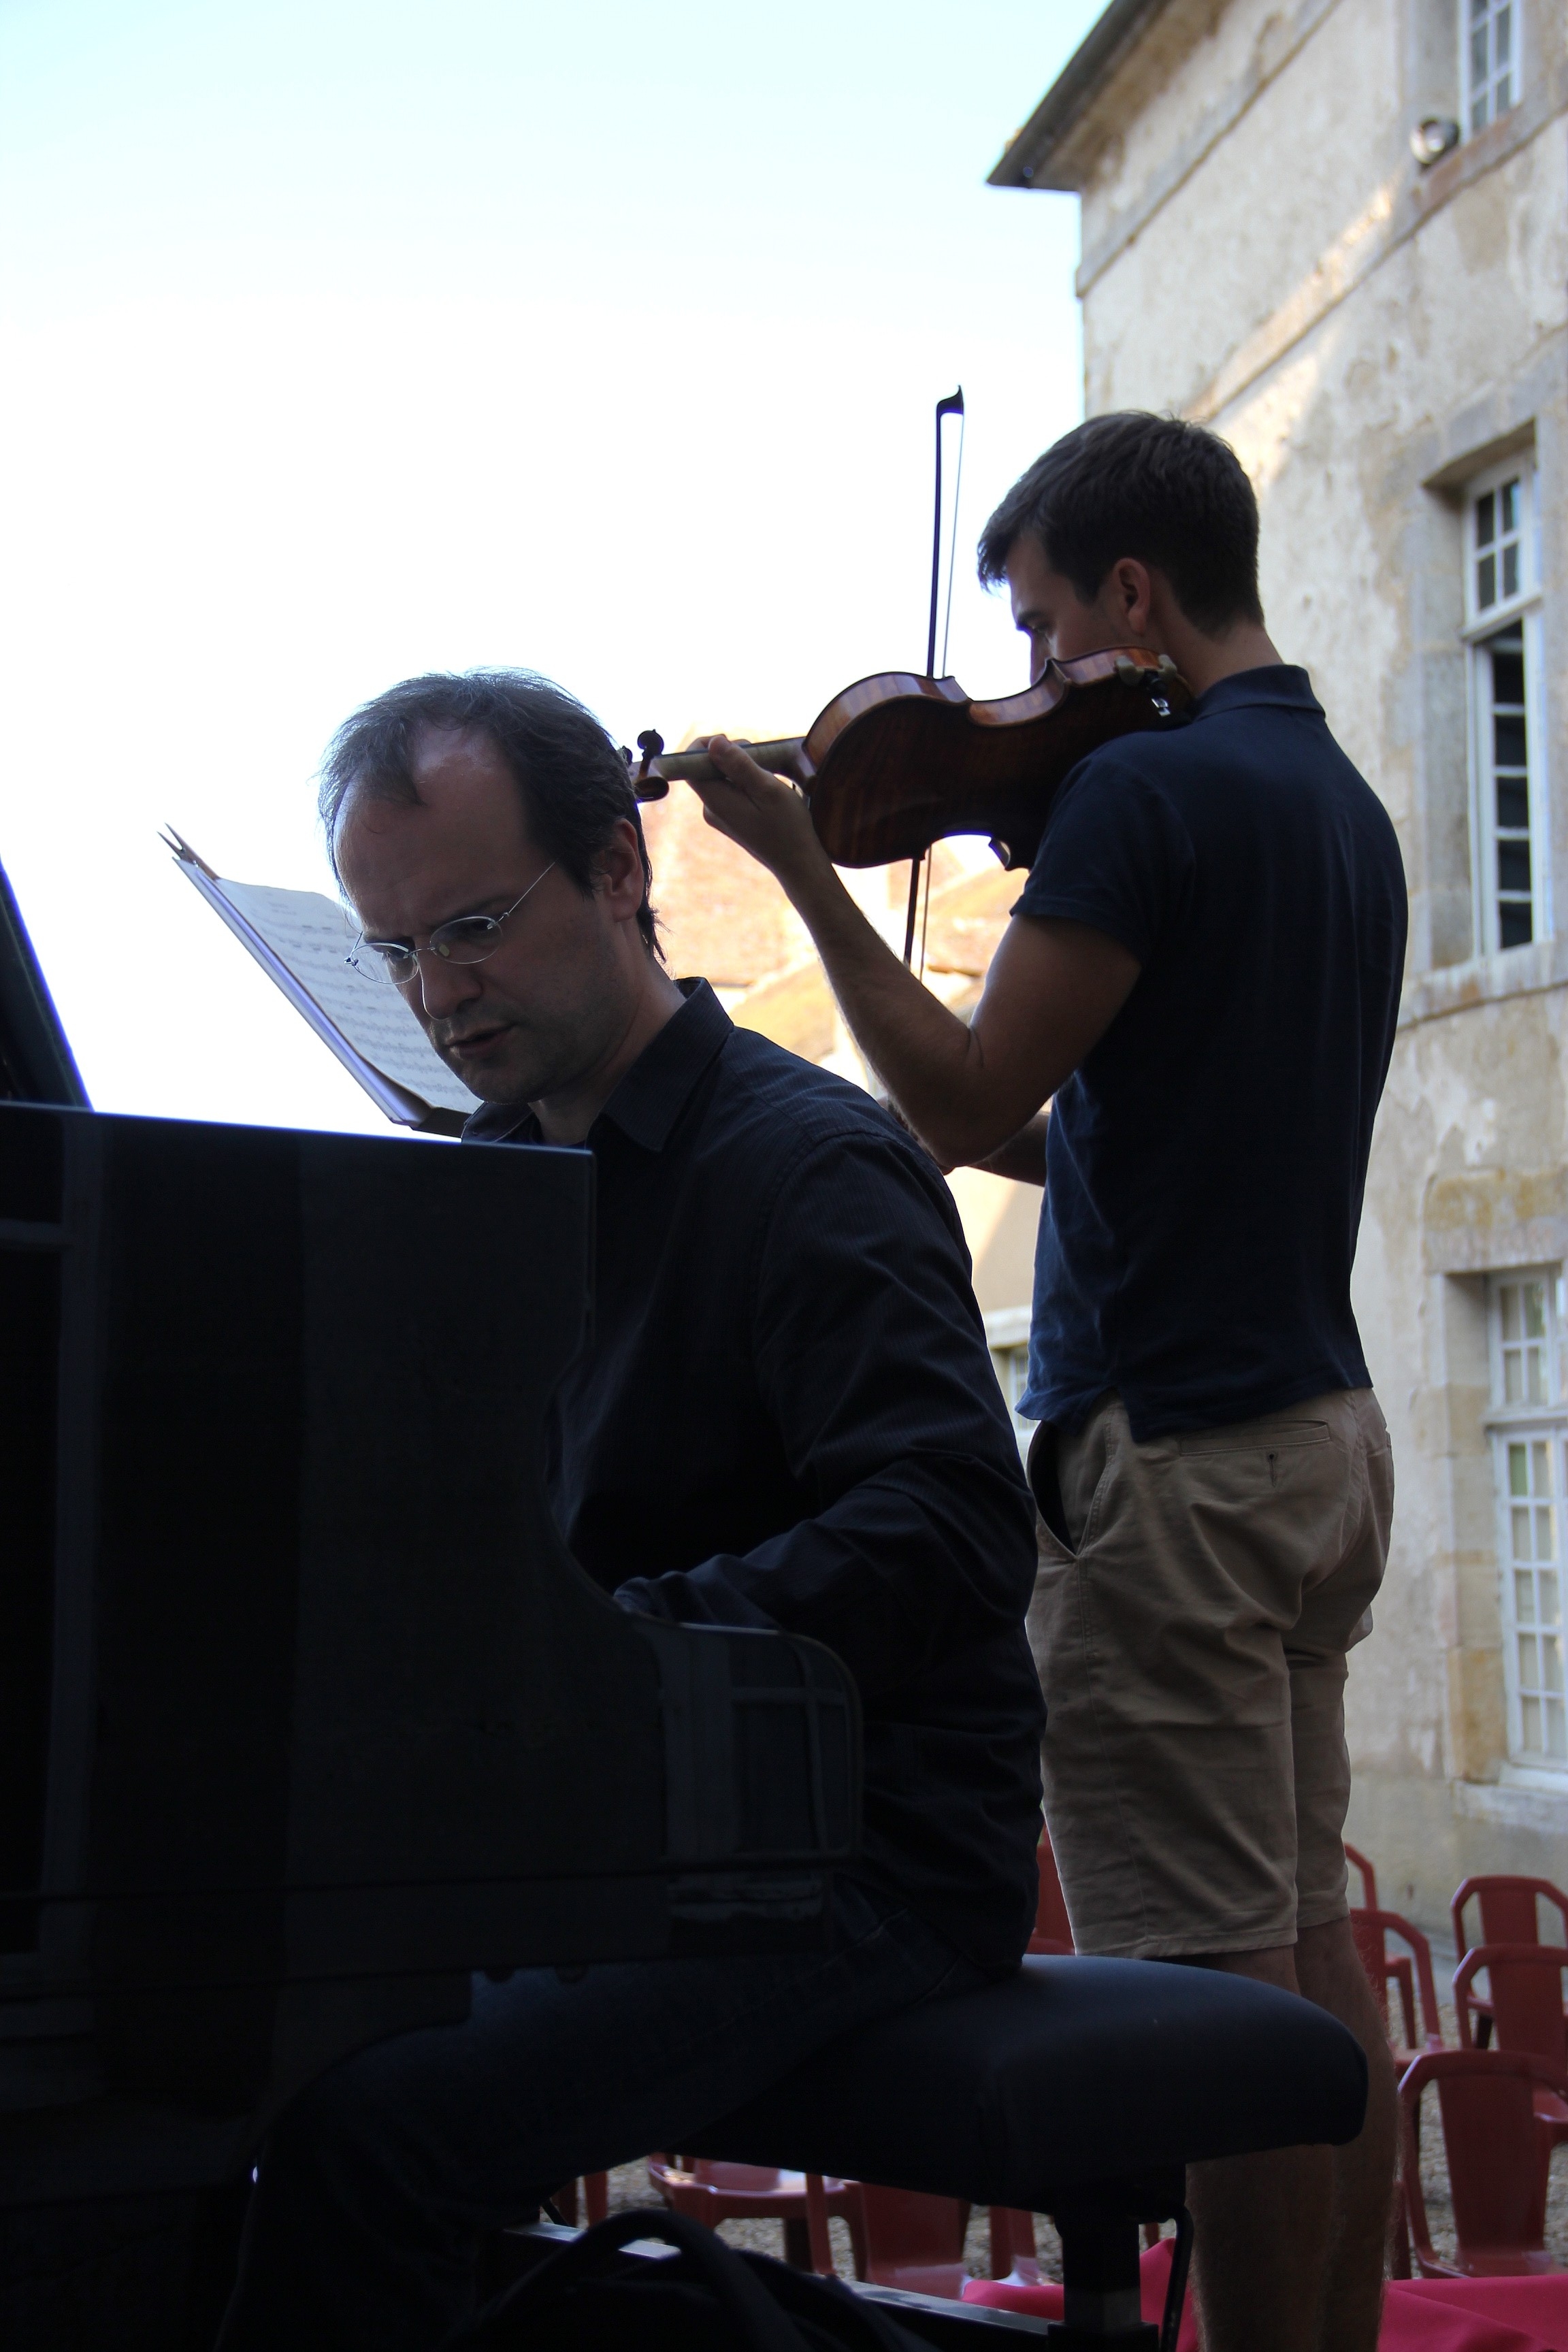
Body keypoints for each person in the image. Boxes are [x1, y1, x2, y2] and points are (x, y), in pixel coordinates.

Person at [683, 412, 1407, 2352]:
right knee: (1317, 1946)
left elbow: (958, 1108)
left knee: (1219, 1991)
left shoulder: (1141, 805)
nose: (1023, 688)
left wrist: (803, 873)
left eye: (1038, 627)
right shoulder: (1336, 798)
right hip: (1322, 1445)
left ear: (1134, 597)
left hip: (1169, 1465)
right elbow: (1075, 1131)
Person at [216, 670, 1044, 2350]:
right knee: (206, 2051)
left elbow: (952, 1528)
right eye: (397, 953)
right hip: (629, 1836)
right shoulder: (510, 1193)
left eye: (473, 928)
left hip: (853, 1852)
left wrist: (597, 1656)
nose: (438, 994)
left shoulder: (808, 1165)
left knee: (370, 2127)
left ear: (616, 874)